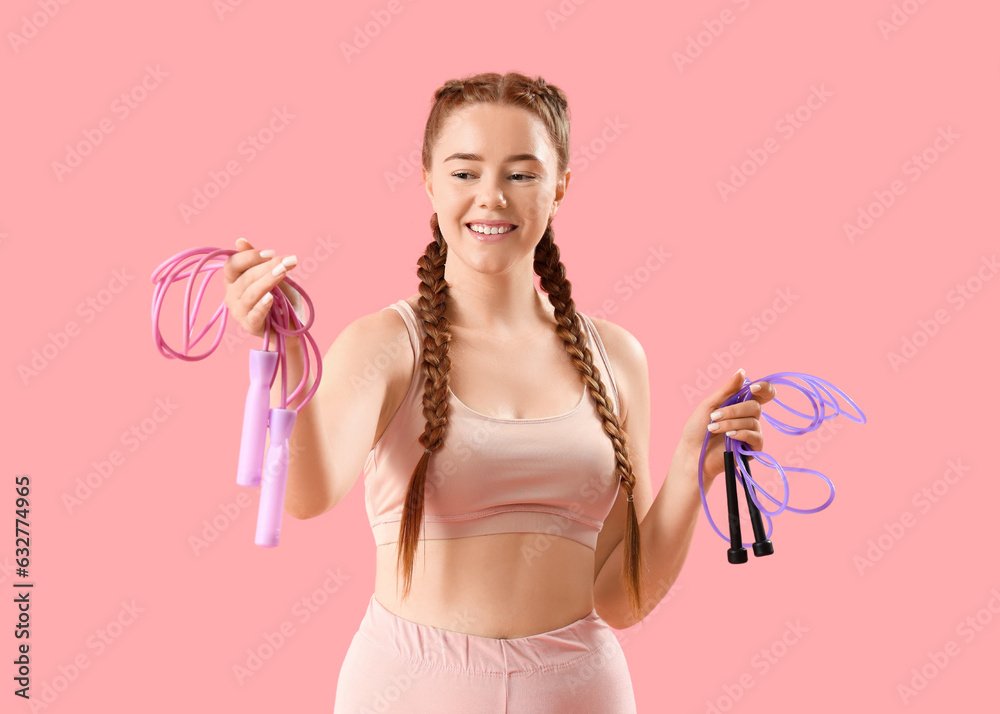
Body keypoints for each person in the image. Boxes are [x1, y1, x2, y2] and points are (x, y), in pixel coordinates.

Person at [222, 71, 775, 713]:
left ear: (560, 187)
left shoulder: (616, 358)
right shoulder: (386, 344)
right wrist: (284, 345)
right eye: (464, 173)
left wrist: (693, 466)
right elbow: (307, 494)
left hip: (579, 692)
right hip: (410, 691)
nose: (492, 197)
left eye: (521, 173)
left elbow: (623, 599)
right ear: (428, 180)